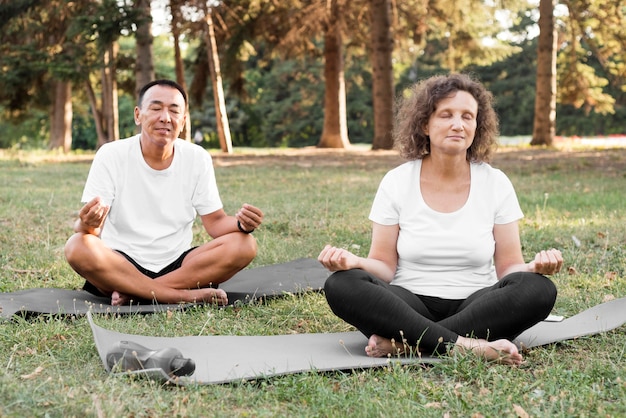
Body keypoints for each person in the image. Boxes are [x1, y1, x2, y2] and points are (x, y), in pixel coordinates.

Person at [318, 73, 562, 365]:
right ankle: (465, 346)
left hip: (478, 304)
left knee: (539, 289)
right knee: (342, 284)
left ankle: (412, 345)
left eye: (467, 116)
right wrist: (355, 262)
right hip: (407, 304)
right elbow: (383, 266)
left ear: (477, 125)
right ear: (425, 124)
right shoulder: (397, 181)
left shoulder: (495, 183)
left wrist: (533, 268)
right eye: (446, 115)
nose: (458, 125)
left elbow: (508, 268)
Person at [65, 79, 263, 306]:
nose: (165, 118)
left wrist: (241, 225)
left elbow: (215, 223)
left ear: (184, 120)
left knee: (245, 245)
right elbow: (90, 231)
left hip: (179, 265)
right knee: (77, 245)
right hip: (121, 263)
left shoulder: (197, 158)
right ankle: (181, 296)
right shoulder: (111, 155)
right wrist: (85, 223)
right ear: (138, 115)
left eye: (174, 111)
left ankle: (138, 293)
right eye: (156, 108)